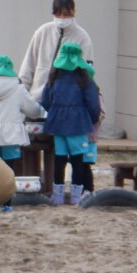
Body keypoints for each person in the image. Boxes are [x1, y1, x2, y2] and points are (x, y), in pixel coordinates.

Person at [40, 41, 101, 205]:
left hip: (57, 123)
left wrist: (54, 111)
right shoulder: (84, 79)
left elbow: (45, 101)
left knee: (59, 159)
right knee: (77, 160)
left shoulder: (53, 78)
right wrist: (92, 119)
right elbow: (93, 104)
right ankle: (75, 196)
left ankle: (57, 195)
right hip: (78, 123)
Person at [0, 54, 46, 175]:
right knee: (11, 167)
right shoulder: (18, 88)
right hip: (12, 135)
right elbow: (33, 111)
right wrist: (40, 112)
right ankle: (9, 186)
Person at [18, 0, 94, 102]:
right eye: (58, 14)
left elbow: (87, 74)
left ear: (73, 12)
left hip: (65, 103)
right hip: (37, 100)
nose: (62, 18)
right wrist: (23, 96)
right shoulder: (42, 32)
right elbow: (28, 66)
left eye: (66, 14)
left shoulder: (82, 38)